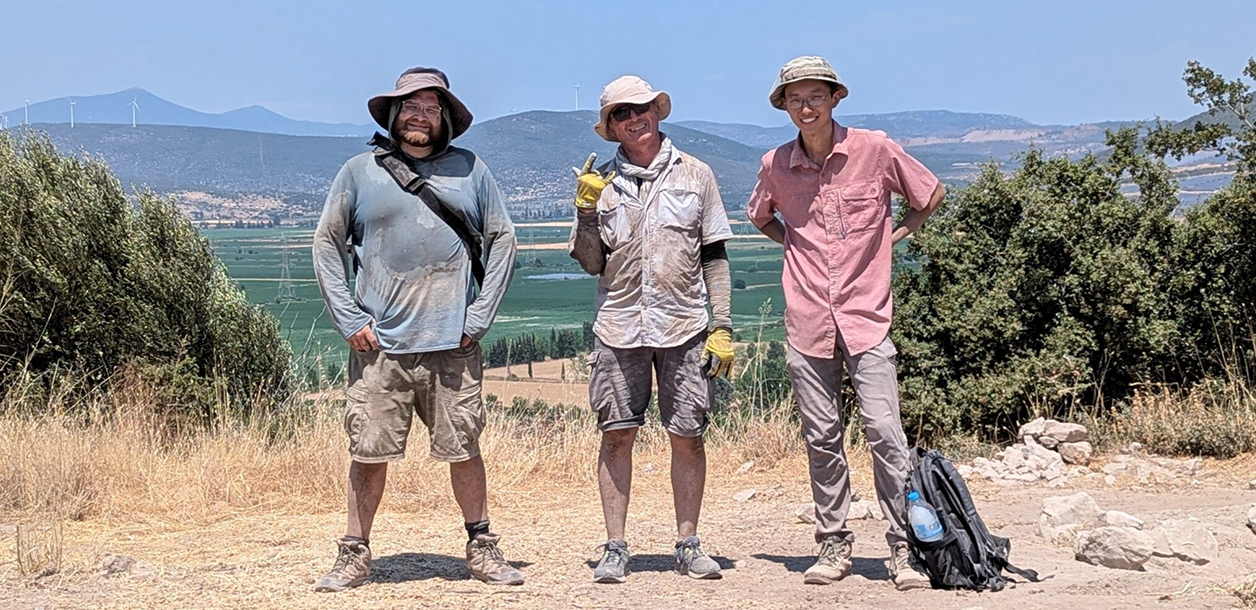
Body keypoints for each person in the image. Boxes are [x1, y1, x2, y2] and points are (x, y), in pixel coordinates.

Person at [311, 67, 522, 591]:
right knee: (367, 451)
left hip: (453, 342)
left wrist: (478, 317)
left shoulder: (472, 171)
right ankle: (353, 553)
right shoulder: (359, 172)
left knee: (464, 448)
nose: (419, 115)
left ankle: (482, 548)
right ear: (393, 114)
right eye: (410, 105)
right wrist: (349, 318)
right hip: (380, 345)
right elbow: (327, 244)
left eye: (431, 106)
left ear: (445, 118)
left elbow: (503, 241)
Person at [746, 56, 945, 590]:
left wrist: (895, 238)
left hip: (867, 314)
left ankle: (906, 547)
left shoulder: (875, 150)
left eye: (815, 96)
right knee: (821, 435)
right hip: (807, 317)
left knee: (884, 430)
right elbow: (761, 215)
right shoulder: (775, 165)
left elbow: (930, 194)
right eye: (795, 98)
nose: (806, 107)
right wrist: (797, 248)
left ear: (835, 98)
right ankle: (833, 543)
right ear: (783, 106)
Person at [568, 75, 736, 583]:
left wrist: (722, 326)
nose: (633, 119)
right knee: (616, 435)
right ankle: (616, 547)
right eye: (620, 114)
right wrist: (586, 212)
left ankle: (688, 543)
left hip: (684, 326)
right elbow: (591, 263)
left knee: (688, 435)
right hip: (619, 327)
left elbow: (714, 255)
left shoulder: (697, 175)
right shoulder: (603, 183)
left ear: (657, 112)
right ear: (611, 127)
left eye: (640, 108)